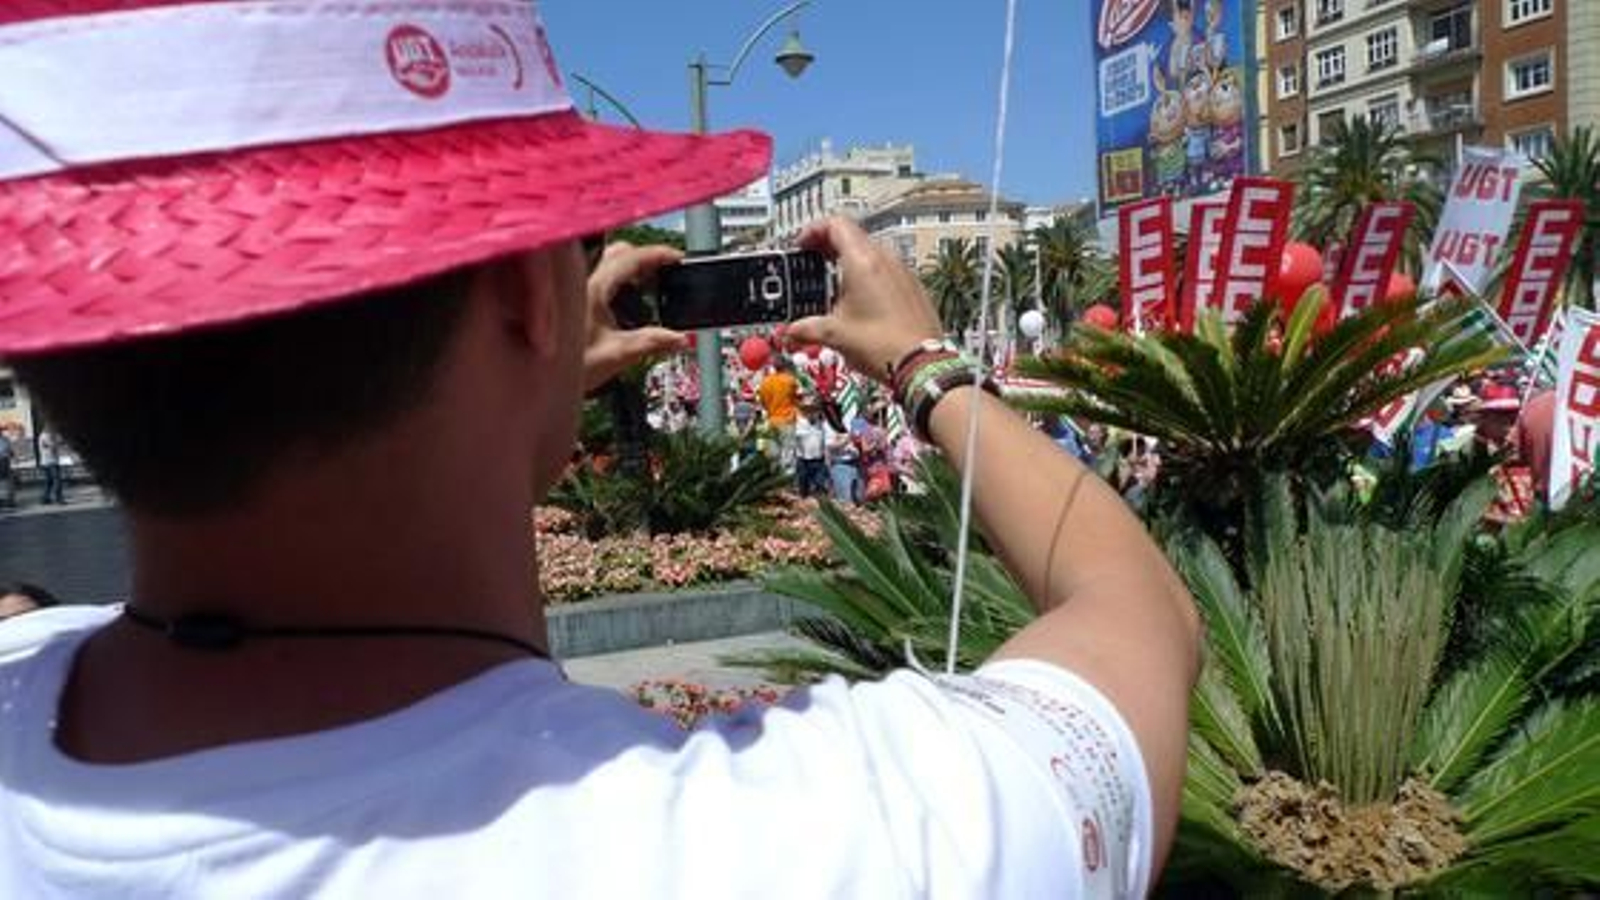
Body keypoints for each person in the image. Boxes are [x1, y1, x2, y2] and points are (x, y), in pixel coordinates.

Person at [0, 3, 1199, 895]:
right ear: (533, 295)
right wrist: (928, 368)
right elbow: (1138, 618)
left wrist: (501, 390)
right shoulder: (806, 844)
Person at [757, 355, 802, 472]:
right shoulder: (790, 380)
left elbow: (763, 402)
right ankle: (787, 484)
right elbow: (799, 398)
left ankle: (775, 484)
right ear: (785, 366)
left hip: (772, 420)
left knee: (773, 455)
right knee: (788, 455)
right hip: (787, 420)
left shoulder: (766, 382)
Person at [792, 396, 830, 498]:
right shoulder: (798, 423)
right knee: (803, 490)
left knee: (820, 488)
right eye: (808, 409)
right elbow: (793, 441)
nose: (811, 412)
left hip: (819, 461)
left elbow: (825, 442)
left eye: (814, 409)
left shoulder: (822, 424)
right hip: (803, 461)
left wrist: (827, 459)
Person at [36, 427, 65, 505]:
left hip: (48, 461)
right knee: (57, 480)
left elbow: (60, 441)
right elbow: (51, 446)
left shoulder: (53, 435)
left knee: (49, 481)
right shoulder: (44, 436)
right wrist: (56, 443)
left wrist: (58, 442)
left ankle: (45, 498)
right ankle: (59, 498)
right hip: (50, 461)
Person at [0, 427, 13, 510]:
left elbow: (10, 450)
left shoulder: (6, 439)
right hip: (1, 460)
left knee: (6, 481)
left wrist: (12, 454)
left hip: (5, 461)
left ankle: (8, 500)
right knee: (3, 481)